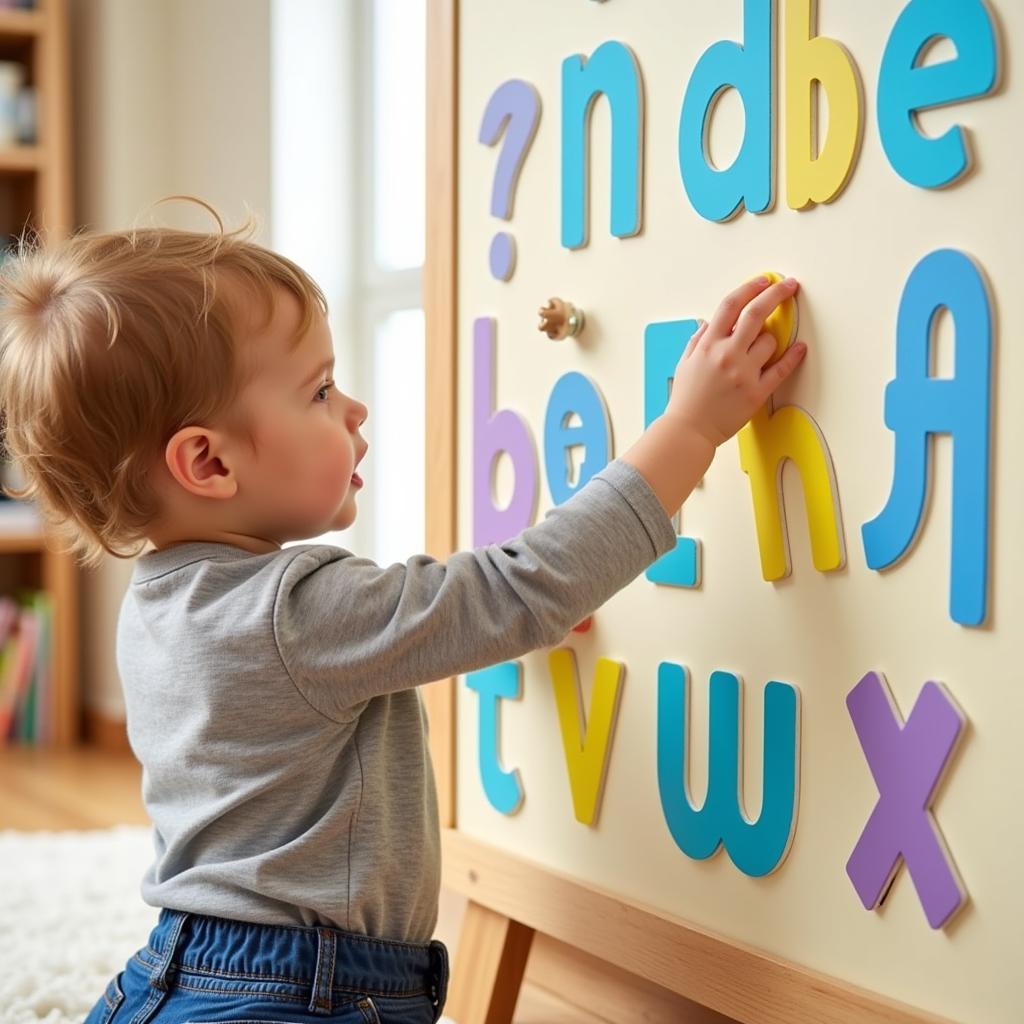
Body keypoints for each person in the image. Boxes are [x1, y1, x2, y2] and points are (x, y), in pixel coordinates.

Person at [0, 196, 805, 1024]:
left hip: (175, 971)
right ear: (208, 461)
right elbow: (519, 587)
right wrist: (691, 426)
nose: (355, 409)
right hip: (295, 995)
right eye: (318, 391)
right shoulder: (299, 611)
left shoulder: (161, 606)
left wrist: (494, 624)